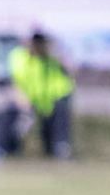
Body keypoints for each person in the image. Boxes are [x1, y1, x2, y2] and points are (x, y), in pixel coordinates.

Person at [5, 31, 75, 160]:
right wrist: (21, 98)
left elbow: (68, 69)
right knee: (41, 133)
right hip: (35, 100)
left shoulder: (53, 55)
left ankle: (61, 153)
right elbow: (16, 81)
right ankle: (17, 151)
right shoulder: (19, 57)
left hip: (58, 96)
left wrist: (52, 52)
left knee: (59, 131)